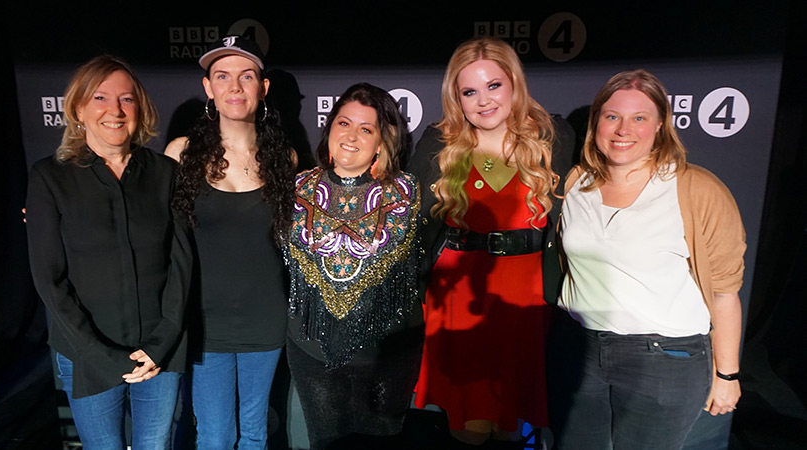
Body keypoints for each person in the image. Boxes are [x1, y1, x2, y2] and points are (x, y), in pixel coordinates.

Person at [547, 69, 745, 449]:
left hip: (665, 360)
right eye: (612, 117)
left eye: (639, 118)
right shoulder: (576, 183)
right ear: (597, 124)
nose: (624, 129)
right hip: (578, 350)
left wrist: (728, 375)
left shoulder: (696, 189)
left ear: (660, 126)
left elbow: (724, 293)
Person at [409, 37, 573, 446]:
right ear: (457, 98)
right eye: (470, 91)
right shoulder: (439, 144)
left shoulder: (554, 137)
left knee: (511, 423)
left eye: (493, 85)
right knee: (469, 426)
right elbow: (413, 228)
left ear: (514, 83)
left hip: (526, 297)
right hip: (460, 297)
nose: (483, 101)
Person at [26, 55, 191, 449]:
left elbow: (181, 264)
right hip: (87, 351)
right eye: (100, 98)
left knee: (156, 444)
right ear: (79, 108)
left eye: (127, 99)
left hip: (158, 350)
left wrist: (163, 340)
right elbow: (49, 279)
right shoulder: (50, 178)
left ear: (141, 109)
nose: (114, 110)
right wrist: (95, 353)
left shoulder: (165, 174)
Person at [165, 35, 294, 450]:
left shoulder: (285, 158)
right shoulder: (180, 154)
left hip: (266, 318)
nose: (234, 87)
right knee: (216, 436)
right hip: (205, 322)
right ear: (208, 88)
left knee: (255, 432)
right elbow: (144, 224)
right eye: (222, 76)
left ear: (263, 87)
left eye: (247, 76)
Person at [285, 83, 423, 449]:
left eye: (366, 129)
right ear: (329, 129)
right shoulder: (295, 189)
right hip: (313, 351)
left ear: (382, 141)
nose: (351, 136)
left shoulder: (408, 192)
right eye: (343, 123)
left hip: (388, 356)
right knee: (325, 443)